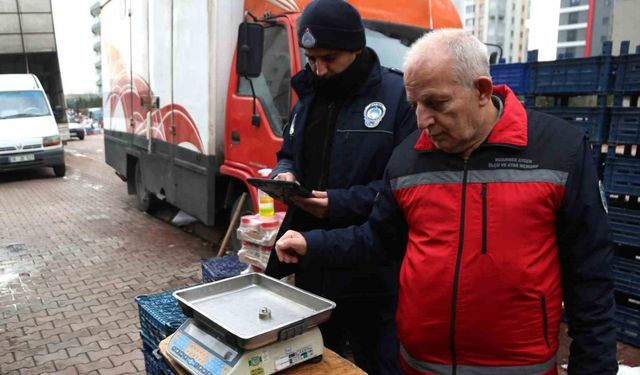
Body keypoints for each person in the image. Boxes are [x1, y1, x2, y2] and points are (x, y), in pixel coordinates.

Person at [274, 29, 618, 374]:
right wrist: (312, 243)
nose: (422, 121)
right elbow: (378, 240)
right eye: (415, 104)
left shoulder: (560, 152)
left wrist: (594, 368)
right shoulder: (407, 159)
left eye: (436, 103)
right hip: (420, 367)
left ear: (481, 90)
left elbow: (590, 276)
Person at [265, 0, 416, 373]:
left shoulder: (398, 99)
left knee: (377, 362)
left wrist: (337, 204)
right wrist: (284, 174)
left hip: (374, 268)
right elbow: (288, 153)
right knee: (318, 361)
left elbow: (402, 189)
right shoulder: (307, 100)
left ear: (357, 48)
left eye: (329, 58)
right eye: (311, 58)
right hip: (314, 260)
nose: (319, 69)